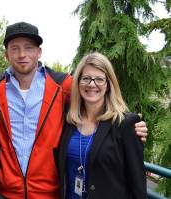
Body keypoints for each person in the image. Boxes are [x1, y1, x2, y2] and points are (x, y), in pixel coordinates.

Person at [0, 22, 148, 199]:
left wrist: (131, 124)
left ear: (39, 52)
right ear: (6, 54)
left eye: (29, 48)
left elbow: (97, 97)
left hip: (50, 193)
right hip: (8, 193)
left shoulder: (63, 85)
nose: (22, 54)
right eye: (15, 48)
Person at [57, 52, 147, 199]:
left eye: (99, 79)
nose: (92, 84)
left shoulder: (125, 124)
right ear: (78, 82)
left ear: (109, 85)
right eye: (86, 78)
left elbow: (137, 183)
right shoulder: (68, 120)